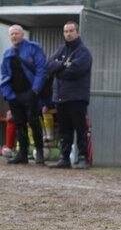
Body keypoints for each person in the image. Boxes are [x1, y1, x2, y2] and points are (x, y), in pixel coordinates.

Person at [46, 21, 92, 169]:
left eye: (71, 31)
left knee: (80, 129)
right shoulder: (61, 49)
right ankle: (64, 158)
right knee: (64, 130)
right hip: (61, 97)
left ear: (77, 32)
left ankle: (84, 158)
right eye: (66, 31)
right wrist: (63, 65)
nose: (68, 34)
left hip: (77, 97)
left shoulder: (83, 52)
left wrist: (59, 69)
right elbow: (49, 65)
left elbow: (75, 71)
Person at [0, 24, 47, 165]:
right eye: (12, 34)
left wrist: (35, 90)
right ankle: (23, 154)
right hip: (15, 95)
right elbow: (4, 74)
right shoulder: (7, 54)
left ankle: (39, 152)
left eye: (16, 33)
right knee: (19, 123)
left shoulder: (34, 48)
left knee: (34, 122)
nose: (14, 36)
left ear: (22, 34)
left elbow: (41, 70)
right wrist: (8, 94)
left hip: (31, 92)